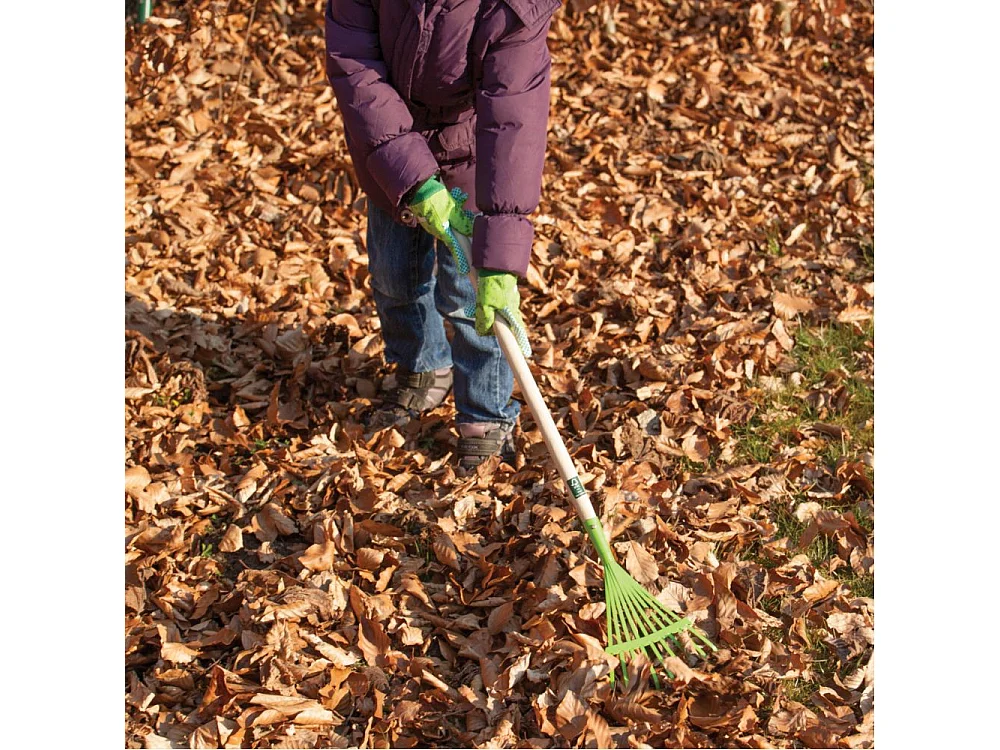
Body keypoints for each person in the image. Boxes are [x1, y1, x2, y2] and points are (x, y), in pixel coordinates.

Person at [324, 0, 561, 470]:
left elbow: (514, 121)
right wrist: (411, 175)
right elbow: (356, 69)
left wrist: (499, 256)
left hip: (471, 153)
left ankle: (486, 416)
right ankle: (423, 365)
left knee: (470, 296)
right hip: (388, 147)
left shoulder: (513, 8)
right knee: (394, 276)